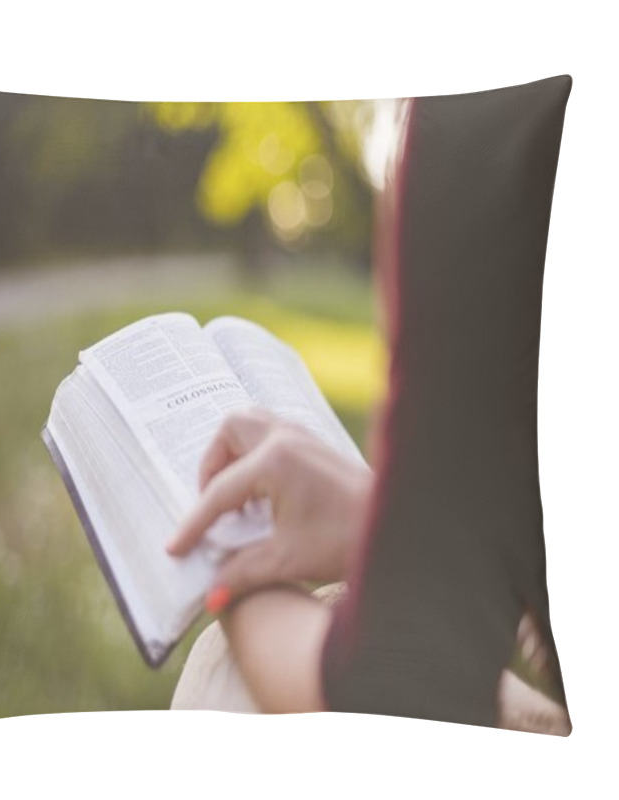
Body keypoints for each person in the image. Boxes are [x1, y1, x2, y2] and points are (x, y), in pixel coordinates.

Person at [165, 79, 573, 733]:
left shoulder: (478, 124)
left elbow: (402, 686)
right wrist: (377, 516)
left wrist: (234, 580)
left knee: (226, 680)